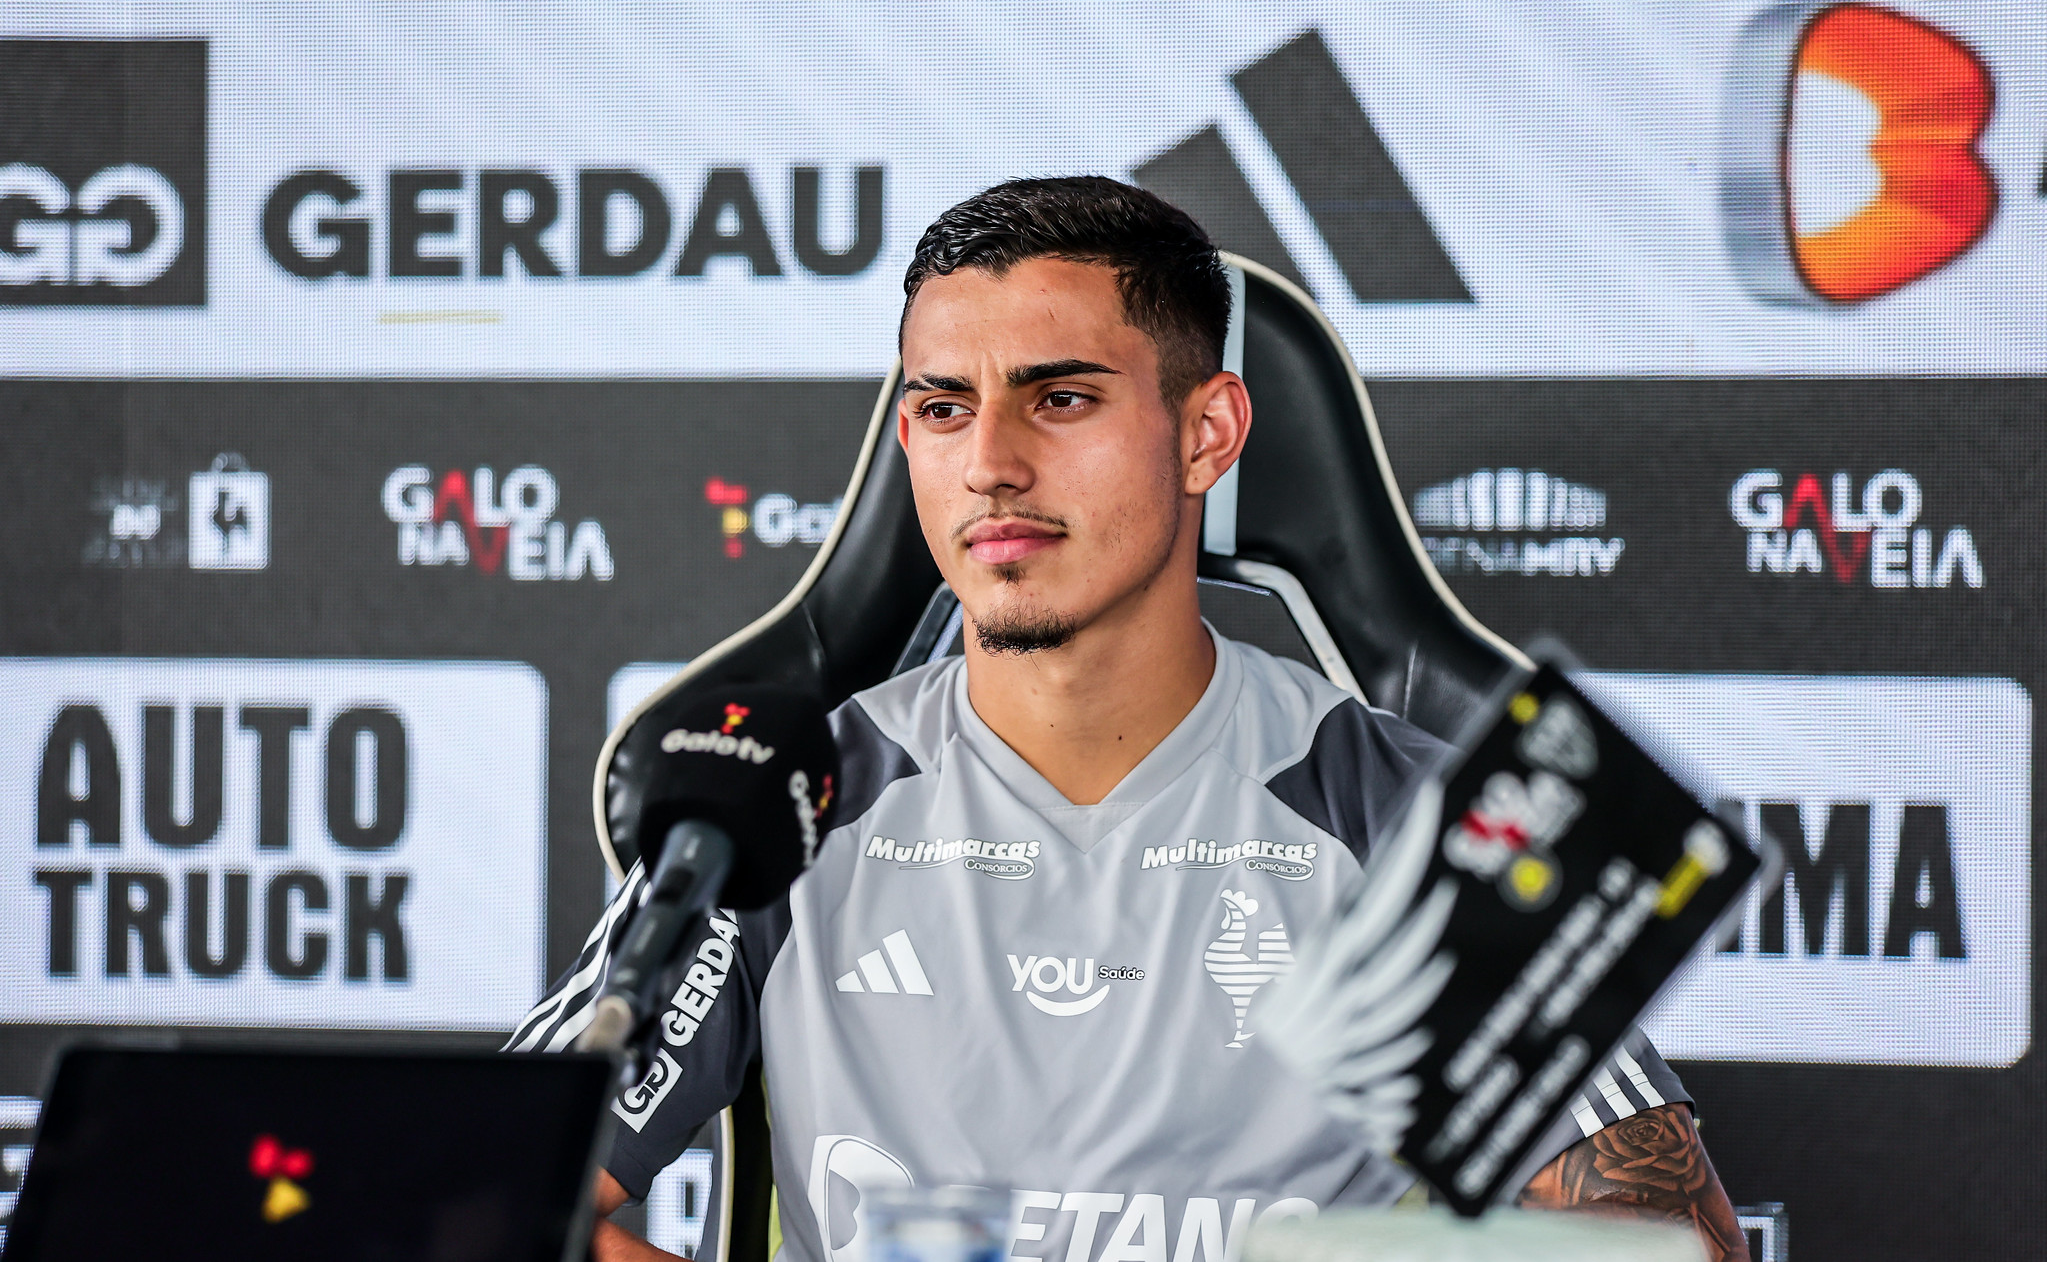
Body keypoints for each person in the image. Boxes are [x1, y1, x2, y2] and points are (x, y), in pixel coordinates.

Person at [508, 177, 1748, 1262]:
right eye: (945, 407)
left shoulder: (1405, 817)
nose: (990, 460)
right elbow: (483, 1199)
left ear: (1206, 432)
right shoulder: (785, 805)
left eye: (1058, 400)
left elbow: (1669, 1245)